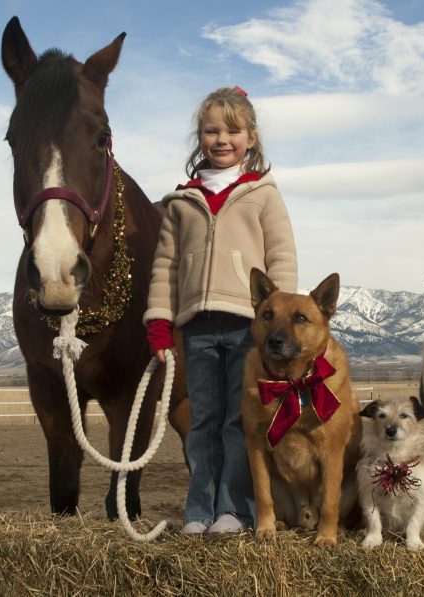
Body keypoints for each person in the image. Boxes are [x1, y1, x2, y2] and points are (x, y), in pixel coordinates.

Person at [144, 86, 298, 536]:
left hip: (248, 328)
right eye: (212, 130)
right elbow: (165, 266)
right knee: (202, 420)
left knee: (239, 420)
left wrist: (280, 326)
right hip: (196, 328)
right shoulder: (182, 201)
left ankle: (235, 510)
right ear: (200, 137)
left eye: (233, 130)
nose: (222, 139)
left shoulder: (263, 193)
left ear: (251, 137)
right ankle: (198, 511)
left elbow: (282, 258)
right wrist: (158, 322)